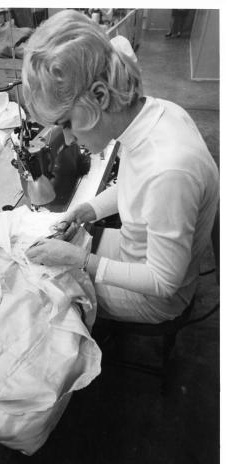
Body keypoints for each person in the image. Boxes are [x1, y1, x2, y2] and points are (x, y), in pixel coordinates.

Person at [23, 9, 219, 324]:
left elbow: (163, 282)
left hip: (155, 295)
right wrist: (88, 209)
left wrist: (82, 260)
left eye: (68, 124)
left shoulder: (169, 168)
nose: (70, 140)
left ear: (99, 96)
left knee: (42, 293)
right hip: (138, 249)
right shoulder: (156, 114)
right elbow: (138, 188)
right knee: (52, 262)